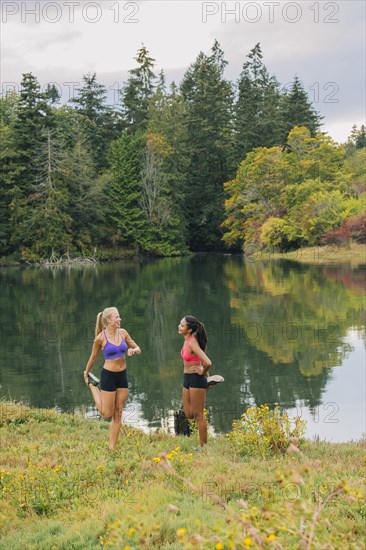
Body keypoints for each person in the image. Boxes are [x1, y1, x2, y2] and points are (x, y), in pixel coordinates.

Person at [84, 307, 141, 451]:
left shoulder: (123, 333)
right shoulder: (100, 338)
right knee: (106, 414)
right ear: (109, 320)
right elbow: (93, 357)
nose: (119, 319)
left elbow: (138, 348)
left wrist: (133, 350)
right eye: (117, 317)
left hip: (122, 376)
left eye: (119, 317)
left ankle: (112, 447)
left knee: (119, 412)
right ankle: (93, 387)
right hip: (108, 376)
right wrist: (87, 372)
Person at [178, 315, 219, 447]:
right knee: (188, 414)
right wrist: (208, 376)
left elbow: (207, 362)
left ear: (189, 330)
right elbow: (199, 360)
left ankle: (203, 447)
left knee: (199, 415)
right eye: (180, 324)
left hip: (196, 379)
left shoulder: (192, 342)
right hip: (187, 378)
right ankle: (208, 381)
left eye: (182, 325)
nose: (179, 326)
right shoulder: (186, 340)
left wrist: (203, 373)